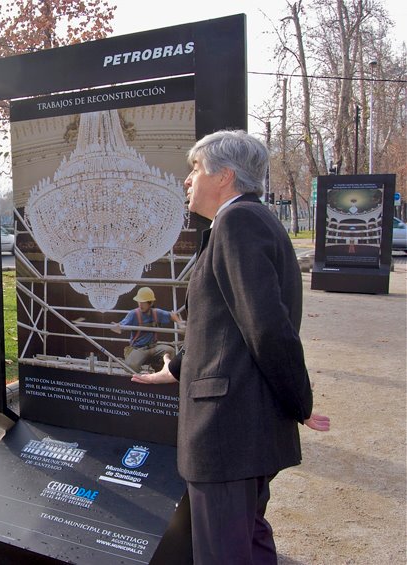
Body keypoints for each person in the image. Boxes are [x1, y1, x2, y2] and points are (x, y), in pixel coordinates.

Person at [131, 130, 330, 565]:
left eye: (195, 169)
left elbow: (267, 327)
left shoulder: (238, 222)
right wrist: (178, 368)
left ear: (223, 176)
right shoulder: (243, 222)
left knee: (225, 552)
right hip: (242, 426)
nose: (187, 180)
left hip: (227, 431)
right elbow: (223, 328)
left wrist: (300, 403)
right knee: (248, 542)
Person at [112, 286, 182, 372]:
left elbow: (171, 315)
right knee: (130, 366)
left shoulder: (157, 313)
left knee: (170, 351)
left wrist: (180, 323)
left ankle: (159, 370)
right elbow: (121, 326)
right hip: (139, 349)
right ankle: (139, 378)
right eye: (139, 302)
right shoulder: (133, 314)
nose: (140, 304)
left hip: (154, 347)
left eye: (143, 302)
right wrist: (117, 327)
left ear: (151, 303)